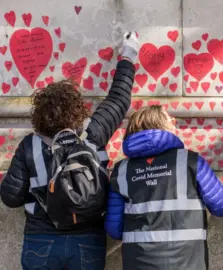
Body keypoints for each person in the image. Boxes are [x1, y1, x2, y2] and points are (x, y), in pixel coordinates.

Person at [0, 32, 140, 270]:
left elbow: (10, 198)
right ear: (78, 110)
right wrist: (129, 52)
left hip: (41, 239)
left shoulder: (30, 145)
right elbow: (119, 99)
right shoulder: (94, 134)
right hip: (87, 240)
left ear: (38, 115)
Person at [104, 105, 223, 270]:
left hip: (138, 263)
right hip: (187, 263)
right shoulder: (190, 161)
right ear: (162, 126)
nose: (174, 123)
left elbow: (114, 229)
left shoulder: (121, 169)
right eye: (170, 120)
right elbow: (222, 207)